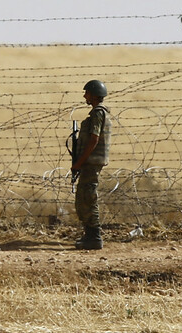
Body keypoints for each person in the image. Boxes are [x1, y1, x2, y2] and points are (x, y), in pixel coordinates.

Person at [71, 80, 111, 250]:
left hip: (91, 162)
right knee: (83, 197)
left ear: (93, 95)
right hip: (90, 162)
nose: (84, 96)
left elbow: (94, 139)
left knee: (88, 197)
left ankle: (94, 237)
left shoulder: (98, 114)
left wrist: (79, 163)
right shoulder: (97, 113)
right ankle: (90, 234)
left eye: (86, 92)